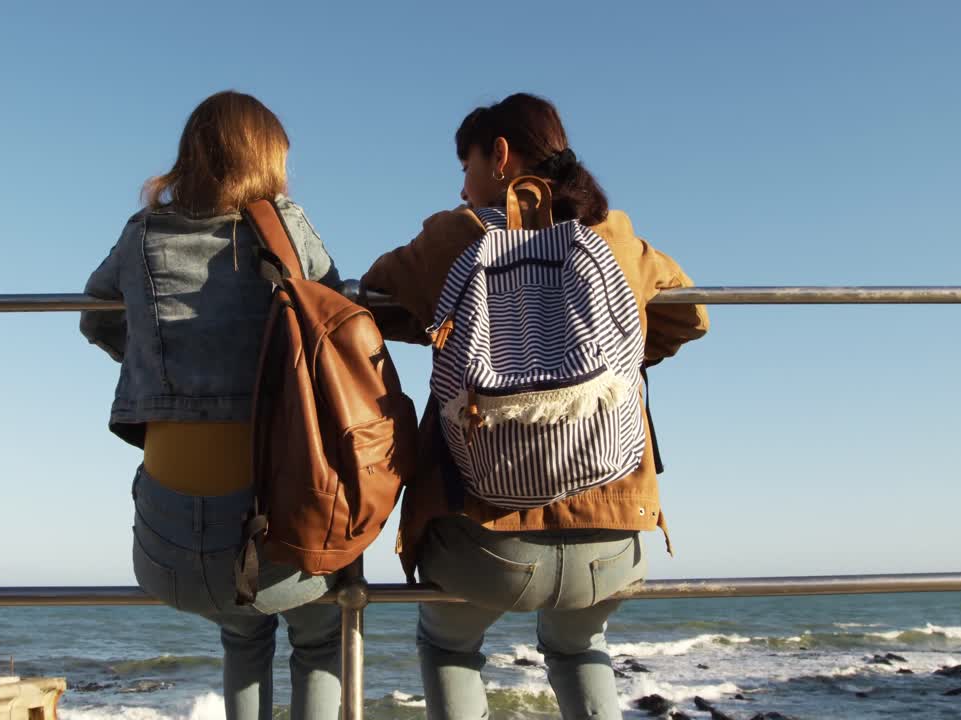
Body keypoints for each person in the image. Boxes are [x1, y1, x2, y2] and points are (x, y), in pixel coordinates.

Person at [362, 93, 710, 720]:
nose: (462, 185)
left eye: (465, 165)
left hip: (484, 537)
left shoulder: (454, 236)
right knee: (580, 647)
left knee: (447, 644)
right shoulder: (613, 237)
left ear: (499, 156)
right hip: (611, 531)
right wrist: (599, 360)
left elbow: (376, 293)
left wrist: (456, 325)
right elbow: (691, 315)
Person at [80, 91, 343, 720]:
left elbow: (96, 318)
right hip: (275, 527)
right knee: (320, 633)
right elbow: (331, 316)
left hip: (169, 542)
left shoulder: (141, 234)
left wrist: (158, 368)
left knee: (241, 630)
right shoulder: (283, 223)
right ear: (268, 159)